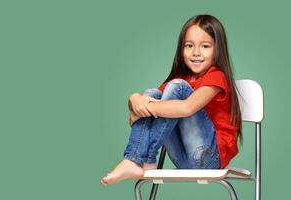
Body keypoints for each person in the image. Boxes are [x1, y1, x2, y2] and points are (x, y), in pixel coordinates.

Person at [100, 14, 242, 186]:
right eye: (189, 45)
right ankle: (140, 160)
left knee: (176, 88)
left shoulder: (217, 77)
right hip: (183, 160)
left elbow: (187, 108)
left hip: (208, 159)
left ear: (218, 49)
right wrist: (135, 99)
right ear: (181, 49)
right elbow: (137, 113)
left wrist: (145, 106)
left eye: (205, 46)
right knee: (152, 93)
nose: (196, 52)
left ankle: (138, 158)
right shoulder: (182, 78)